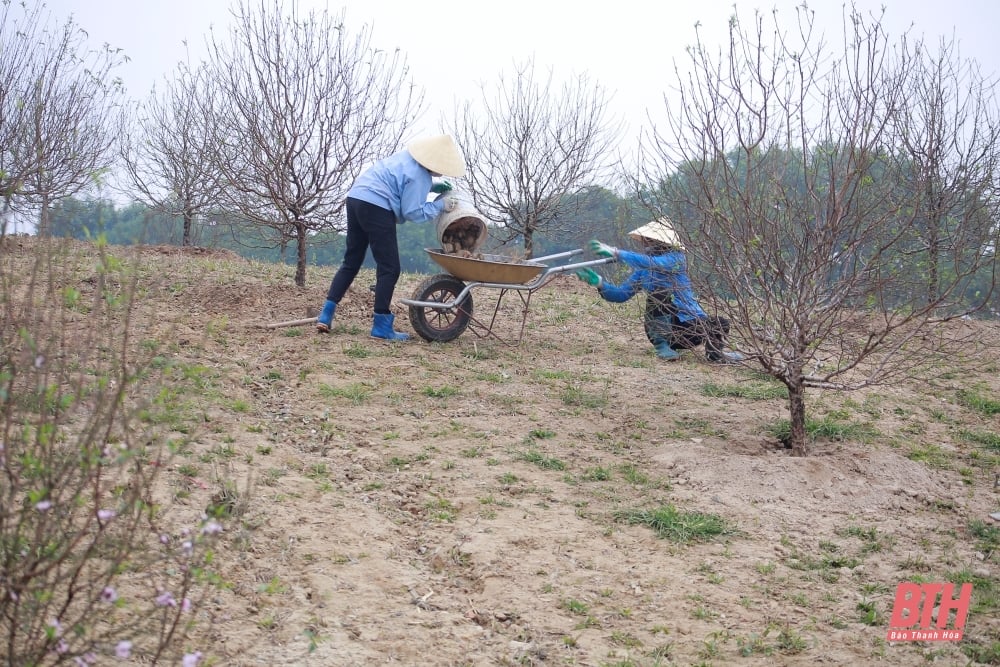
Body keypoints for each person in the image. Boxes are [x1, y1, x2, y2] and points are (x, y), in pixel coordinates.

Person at [316, 135, 466, 340]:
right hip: (377, 206)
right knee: (389, 267)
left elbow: (400, 182)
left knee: (351, 261)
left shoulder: (405, 157)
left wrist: (431, 188)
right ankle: (381, 325)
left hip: (356, 198)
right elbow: (412, 212)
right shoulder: (420, 176)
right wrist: (441, 205)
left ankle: (326, 314)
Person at [575, 218, 746, 364]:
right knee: (660, 293)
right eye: (646, 242)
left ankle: (716, 354)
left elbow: (655, 263)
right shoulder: (643, 272)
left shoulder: (677, 259)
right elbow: (621, 295)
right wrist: (600, 284)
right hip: (662, 330)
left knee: (720, 322)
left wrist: (617, 253)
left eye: (651, 242)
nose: (648, 246)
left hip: (691, 327)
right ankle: (662, 346)